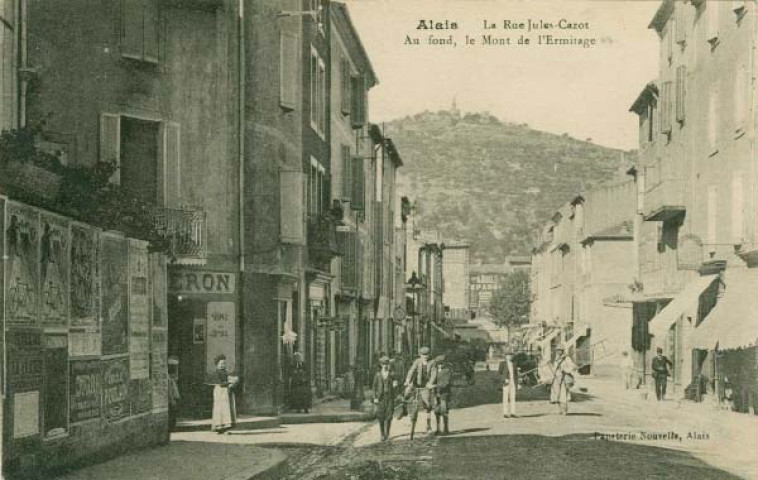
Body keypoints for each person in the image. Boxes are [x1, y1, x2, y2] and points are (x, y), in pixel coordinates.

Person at [404, 346, 437, 439]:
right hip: (417, 384)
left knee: (428, 404)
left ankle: (428, 425)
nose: (425, 356)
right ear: (420, 355)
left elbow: (434, 374)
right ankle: (405, 410)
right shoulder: (417, 361)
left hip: (426, 386)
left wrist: (430, 383)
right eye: (423, 355)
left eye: (427, 354)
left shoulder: (432, 362)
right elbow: (411, 370)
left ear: (429, 355)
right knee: (406, 394)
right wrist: (407, 380)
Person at [372, 356, 397, 442]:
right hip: (381, 398)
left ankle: (387, 433)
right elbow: (374, 387)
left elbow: (396, 384)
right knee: (381, 416)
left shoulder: (392, 374)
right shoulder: (378, 375)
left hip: (389, 397)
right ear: (380, 365)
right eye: (383, 364)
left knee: (389, 416)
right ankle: (382, 434)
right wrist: (375, 398)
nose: (385, 366)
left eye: (386, 364)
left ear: (388, 364)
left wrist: (395, 386)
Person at [211, 355, 237, 434]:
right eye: (221, 363)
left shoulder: (225, 371)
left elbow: (226, 379)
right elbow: (220, 383)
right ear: (217, 364)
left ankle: (225, 426)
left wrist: (232, 379)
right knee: (219, 408)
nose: (223, 365)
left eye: (224, 363)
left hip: (225, 391)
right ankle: (218, 426)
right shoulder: (216, 372)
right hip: (219, 391)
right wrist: (230, 382)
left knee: (226, 408)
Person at [550, 346, 577, 415]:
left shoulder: (567, 358)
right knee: (556, 393)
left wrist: (565, 370)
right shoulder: (556, 358)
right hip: (556, 377)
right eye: (557, 350)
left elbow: (573, 367)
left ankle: (564, 410)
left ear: (563, 350)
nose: (558, 352)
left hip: (563, 378)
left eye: (560, 350)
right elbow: (554, 367)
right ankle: (560, 410)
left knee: (563, 394)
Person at [432, 355, 453, 435]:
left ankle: (446, 428)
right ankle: (438, 429)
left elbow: (446, 383)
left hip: (444, 394)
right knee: (436, 411)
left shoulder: (447, 371)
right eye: (438, 363)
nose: (440, 365)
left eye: (442, 363)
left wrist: (435, 385)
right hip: (436, 394)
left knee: (444, 411)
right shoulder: (434, 371)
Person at [498, 352, 518, 418]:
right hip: (506, 383)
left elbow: (516, 374)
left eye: (511, 356)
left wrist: (518, 383)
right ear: (506, 357)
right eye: (508, 356)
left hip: (513, 382)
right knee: (505, 397)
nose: (510, 357)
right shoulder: (502, 363)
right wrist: (504, 379)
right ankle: (505, 413)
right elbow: (500, 373)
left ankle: (513, 412)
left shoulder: (514, 364)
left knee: (513, 398)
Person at [167, 356, 181, 431]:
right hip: (172, 399)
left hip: (174, 397)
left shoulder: (172, 379)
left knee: (174, 413)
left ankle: (172, 427)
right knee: (172, 413)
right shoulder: (169, 379)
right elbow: (170, 390)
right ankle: (171, 427)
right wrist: (172, 399)